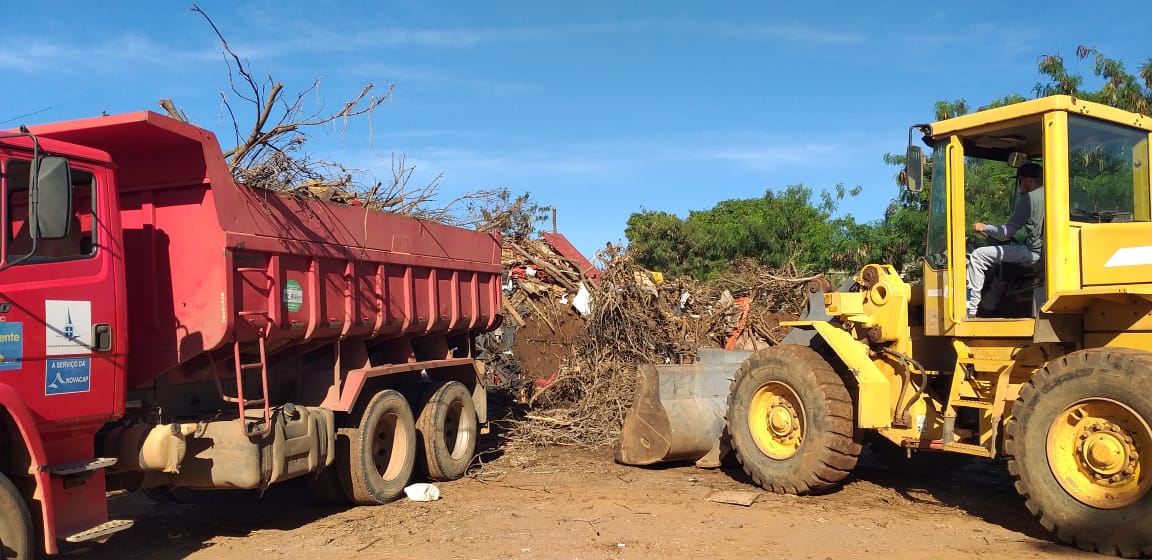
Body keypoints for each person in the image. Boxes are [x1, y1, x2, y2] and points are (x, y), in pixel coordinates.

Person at [967, 162, 1045, 318]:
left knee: (978, 256)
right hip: (1044, 253)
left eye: (1019, 181)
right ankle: (988, 308)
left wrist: (984, 227)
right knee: (1005, 268)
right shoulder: (1053, 193)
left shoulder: (1029, 199)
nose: (1019, 185)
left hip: (1032, 253)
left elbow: (1006, 233)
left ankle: (971, 310)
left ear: (1028, 180)